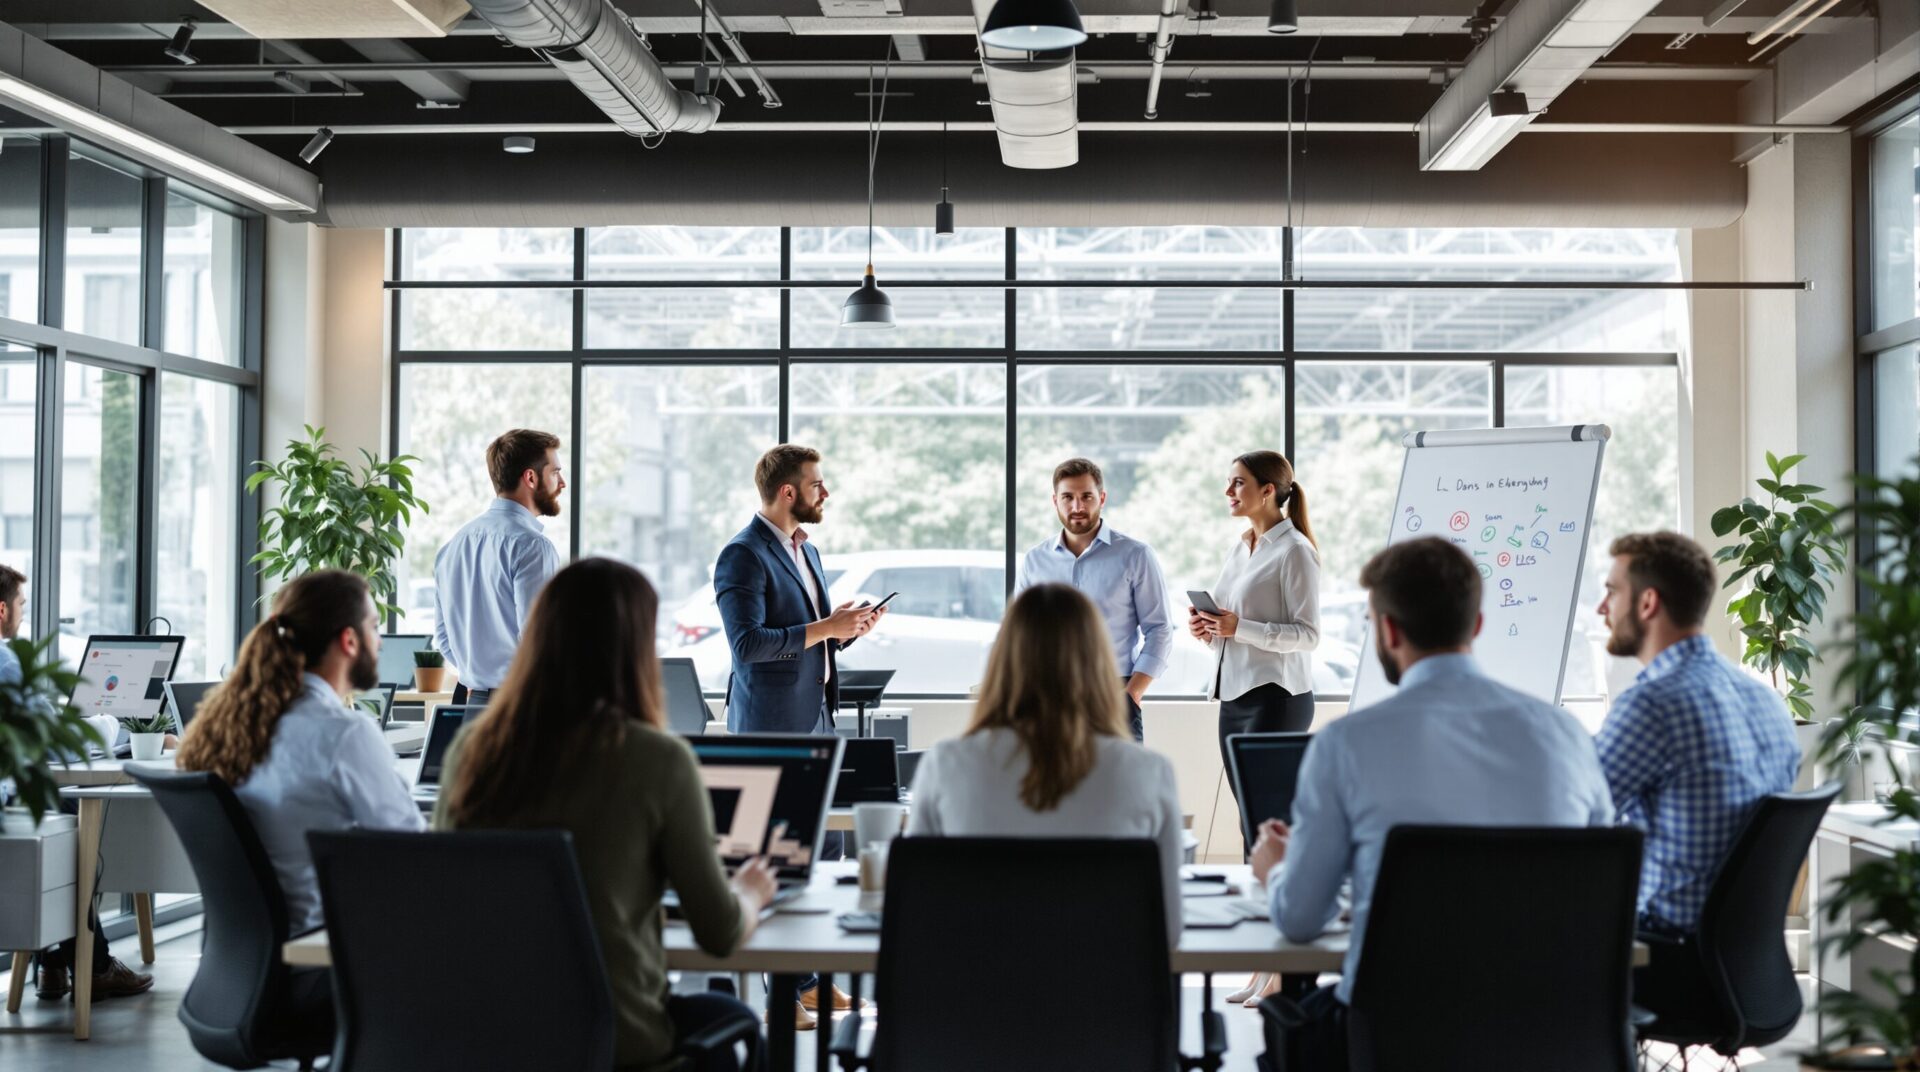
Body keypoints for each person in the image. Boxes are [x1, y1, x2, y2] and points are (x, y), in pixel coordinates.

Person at [1250, 538, 1614, 1071]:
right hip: (1551, 1032)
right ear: (1477, 626)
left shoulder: (1346, 745)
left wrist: (1277, 872)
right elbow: (1596, 891)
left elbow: (1301, 920)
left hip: (1396, 1037)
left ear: (1388, 630)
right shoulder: (1566, 736)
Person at [436, 558, 775, 1072]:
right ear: (634, 651)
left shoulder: (470, 752)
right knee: (734, 1020)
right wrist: (751, 891)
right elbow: (719, 933)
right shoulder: (657, 759)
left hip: (488, 1037)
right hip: (616, 1042)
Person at [905, 582, 1185, 945]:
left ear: (1002, 661)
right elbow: (1169, 929)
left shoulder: (946, 764)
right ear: (1098, 662)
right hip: (1104, 995)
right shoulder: (1148, 772)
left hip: (978, 993)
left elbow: (918, 908)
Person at [1592, 531, 1800, 1017]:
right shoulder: (1767, 701)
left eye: (1611, 591)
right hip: (1751, 969)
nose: (1604, 607)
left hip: (1671, 966)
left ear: (1647, 603)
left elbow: (1575, 814)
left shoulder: (1653, 704)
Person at [712, 443, 883, 1026]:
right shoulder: (742, 555)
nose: (824, 493)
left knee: (825, 854)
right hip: (769, 727)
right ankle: (782, 994)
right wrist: (825, 627)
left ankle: (812, 984)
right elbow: (748, 646)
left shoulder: (803, 550)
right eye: (817, 484)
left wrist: (847, 631)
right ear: (788, 492)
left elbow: (813, 639)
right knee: (777, 860)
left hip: (815, 717)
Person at [177, 569, 424, 938]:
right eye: (375, 627)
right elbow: (412, 853)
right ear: (349, 640)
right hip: (318, 955)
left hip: (244, 960)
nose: (382, 642)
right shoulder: (343, 731)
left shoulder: (231, 725)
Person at [0, 565, 155, 1002]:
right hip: (6, 818)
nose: (22, 616)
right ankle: (95, 966)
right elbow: (61, 746)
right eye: (21, 607)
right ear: (1, 609)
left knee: (60, 807)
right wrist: (117, 726)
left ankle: (52, 966)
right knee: (73, 828)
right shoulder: (6, 662)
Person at [1014, 458, 1173, 742]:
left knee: (1120, 786)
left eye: (1086, 496)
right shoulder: (1034, 560)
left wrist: (1132, 693)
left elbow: (1159, 628)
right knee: (1052, 786)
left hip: (1113, 693)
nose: (1077, 507)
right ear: (1055, 501)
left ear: (1101, 497)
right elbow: (1021, 633)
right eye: (1068, 497)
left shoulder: (1135, 555)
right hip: (1049, 697)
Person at [1193, 451, 1321, 786]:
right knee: (1250, 815)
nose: (1228, 491)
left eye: (1238, 483)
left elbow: (1309, 636)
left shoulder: (1295, 550)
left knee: (1267, 812)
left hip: (1276, 699)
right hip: (1234, 698)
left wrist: (1240, 627)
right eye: (1228, 482)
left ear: (1267, 491)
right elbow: (1231, 629)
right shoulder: (1240, 548)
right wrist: (1209, 631)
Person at [433, 428, 567, 706]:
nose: (562, 483)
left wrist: (480, 676)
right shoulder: (532, 546)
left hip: (473, 707)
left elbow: (444, 638)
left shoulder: (454, 545)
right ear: (530, 477)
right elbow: (539, 640)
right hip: (521, 709)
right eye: (555, 472)